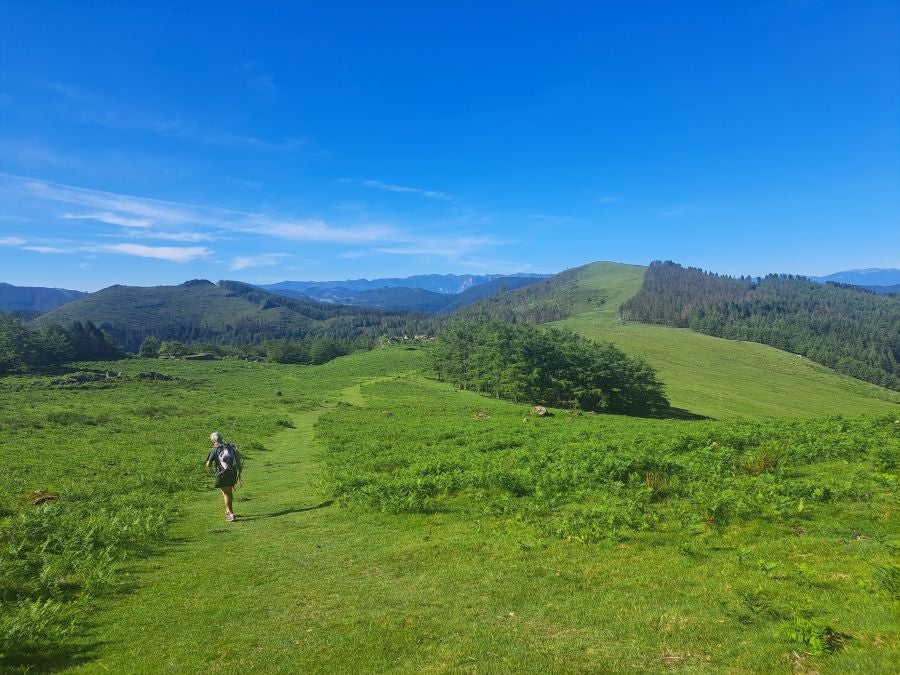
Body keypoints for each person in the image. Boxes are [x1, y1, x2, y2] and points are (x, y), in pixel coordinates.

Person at [206, 431, 240, 522]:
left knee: (226, 493)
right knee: (227, 492)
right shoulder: (230, 447)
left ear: (213, 441)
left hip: (222, 474)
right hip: (232, 473)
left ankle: (231, 514)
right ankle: (228, 510)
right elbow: (237, 458)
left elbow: (208, 464)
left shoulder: (214, 449)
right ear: (222, 439)